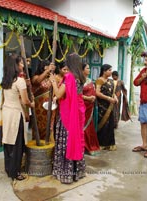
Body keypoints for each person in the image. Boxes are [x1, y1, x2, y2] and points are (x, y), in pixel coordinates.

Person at [49, 53, 86, 184]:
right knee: (76, 139)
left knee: (66, 142)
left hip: (68, 114)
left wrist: (53, 82)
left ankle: (65, 173)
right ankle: (77, 172)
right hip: (78, 112)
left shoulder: (69, 77)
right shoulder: (81, 77)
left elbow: (59, 94)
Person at [1, 54, 35, 181]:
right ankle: (15, 172)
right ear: (15, 65)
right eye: (21, 63)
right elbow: (25, 101)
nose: (23, 65)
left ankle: (8, 167)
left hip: (7, 112)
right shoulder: (19, 81)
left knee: (9, 140)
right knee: (17, 143)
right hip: (16, 114)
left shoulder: (6, 80)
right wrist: (32, 104)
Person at [31, 60, 56, 141]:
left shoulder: (52, 77)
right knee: (39, 126)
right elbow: (38, 81)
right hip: (39, 108)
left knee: (49, 126)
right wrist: (47, 71)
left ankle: (49, 146)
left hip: (50, 107)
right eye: (48, 66)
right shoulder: (36, 77)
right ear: (44, 67)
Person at [95, 64, 118, 151]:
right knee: (103, 125)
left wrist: (115, 97)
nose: (111, 72)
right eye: (109, 70)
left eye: (111, 70)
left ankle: (109, 144)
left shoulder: (111, 81)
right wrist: (108, 98)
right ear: (104, 71)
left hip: (110, 106)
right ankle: (101, 144)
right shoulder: (99, 80)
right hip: (102, 106)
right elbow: (97, 93)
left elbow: (112, 92)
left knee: (110, 125)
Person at [82, 63, 100, 155]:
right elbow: (77, 95)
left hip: (90, 107)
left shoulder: (90, 81)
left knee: (89, 127)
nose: (89, 70)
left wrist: (92, 98)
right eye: (87, 68)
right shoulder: (79, 81)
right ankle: (83, 146)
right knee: (81, 126)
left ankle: (89, 145)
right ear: (82, 70)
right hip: (82, 107)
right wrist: (87, 98)